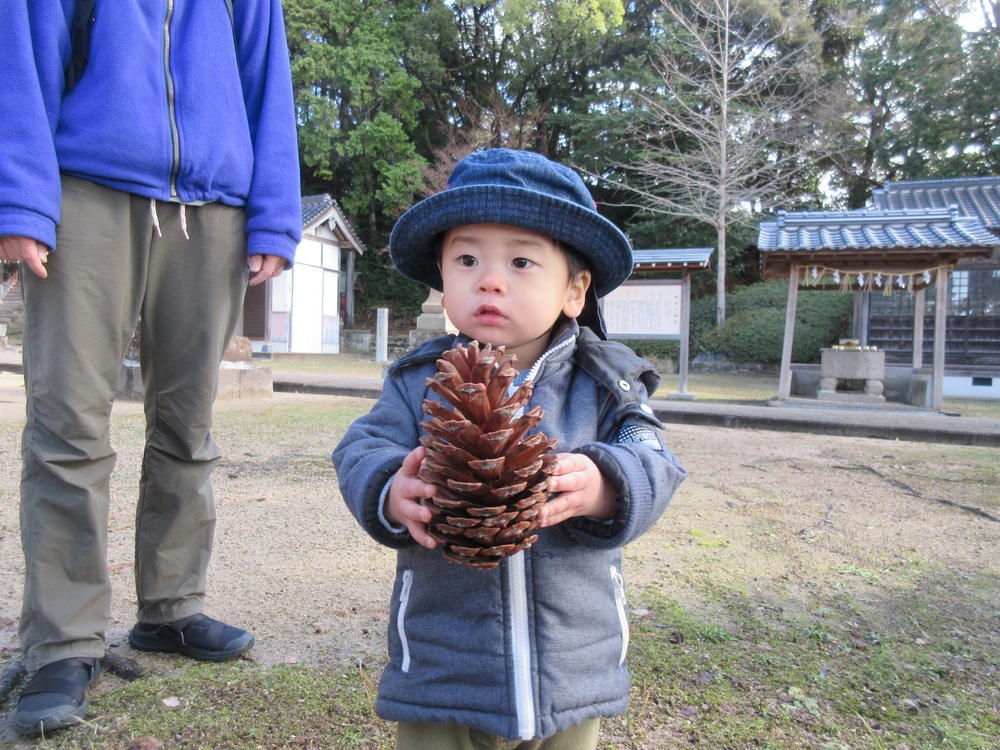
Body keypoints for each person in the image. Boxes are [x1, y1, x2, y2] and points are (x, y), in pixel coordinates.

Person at [0, 0, 301, 735]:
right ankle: (63, 642)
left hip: (215, 207)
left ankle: (170, 610)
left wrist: (273, 215)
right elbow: (22, 57)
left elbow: (268, 81)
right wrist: (20, 202)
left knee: (188, 421)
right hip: (86, 191)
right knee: (68, 420)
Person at [332, 148, 687, 748]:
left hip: (571, 665)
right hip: (444, 663)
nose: (489, 279)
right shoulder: (419, 379)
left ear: (575, 290)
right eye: (467, 258)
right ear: (441, 278)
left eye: (522, 261)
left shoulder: (608, 383)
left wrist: (608, 485)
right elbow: (361, 446)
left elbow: (655, 459)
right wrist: (391, 488)